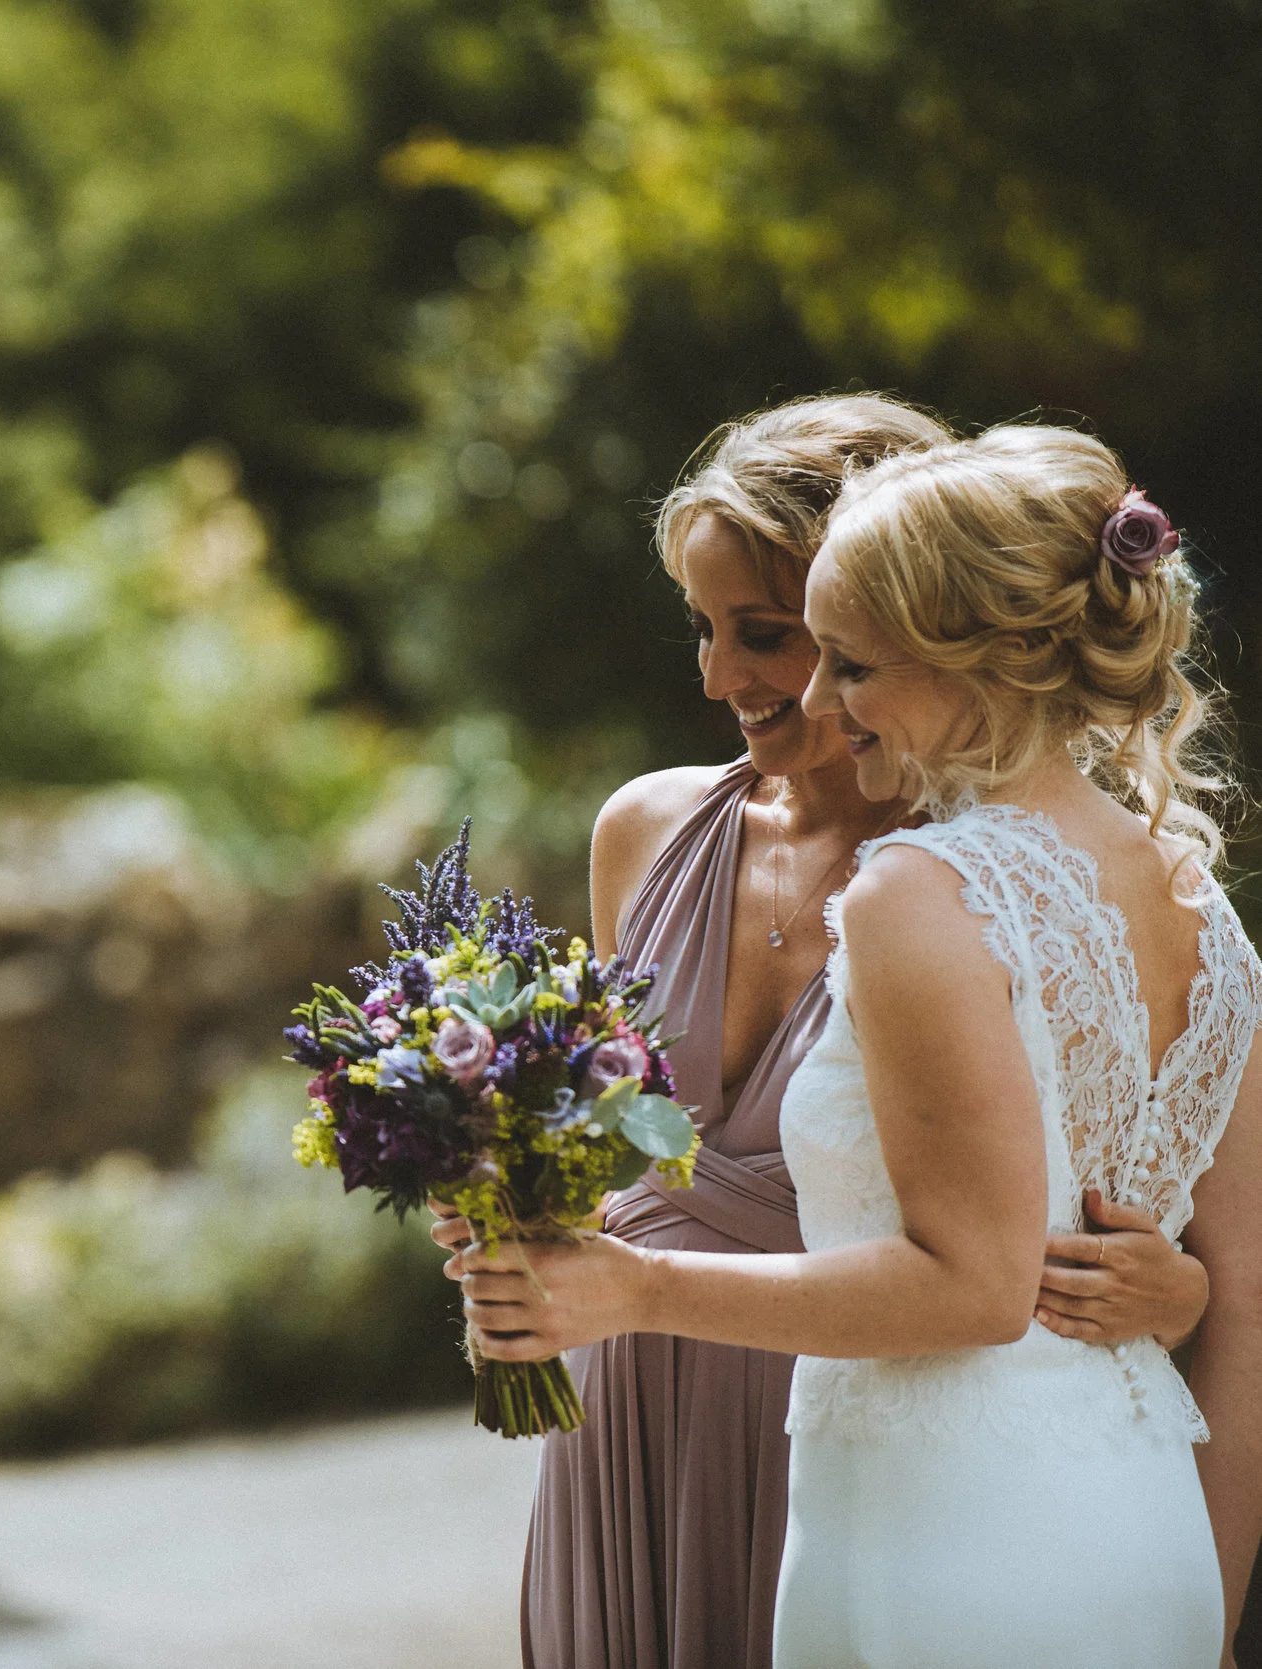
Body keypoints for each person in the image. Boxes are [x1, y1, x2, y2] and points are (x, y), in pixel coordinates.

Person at [450, 424, 1262, 1668]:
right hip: (1085, 1508)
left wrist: (640, 1287)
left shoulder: (924, 887)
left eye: (829, 653)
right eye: (709, 629)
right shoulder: (1191, 895)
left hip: (922, 1500)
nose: (771, 686)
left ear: (956, 645)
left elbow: (994, 1280)